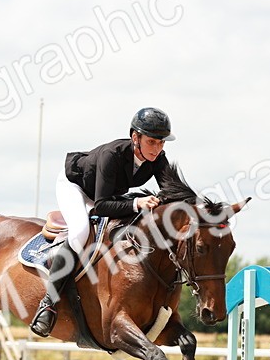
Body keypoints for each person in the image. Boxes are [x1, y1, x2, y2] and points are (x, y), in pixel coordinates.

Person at [29, 107, 175, 337]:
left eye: (161, 143)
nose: (157, 149)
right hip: (76, 187)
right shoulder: (112, 155)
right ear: (135, 137)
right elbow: (101, 206)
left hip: (106, 194)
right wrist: (138, 203)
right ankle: (48, 304)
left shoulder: (158, 159)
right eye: (152, 142)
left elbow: (172, 191)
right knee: (80, 232)